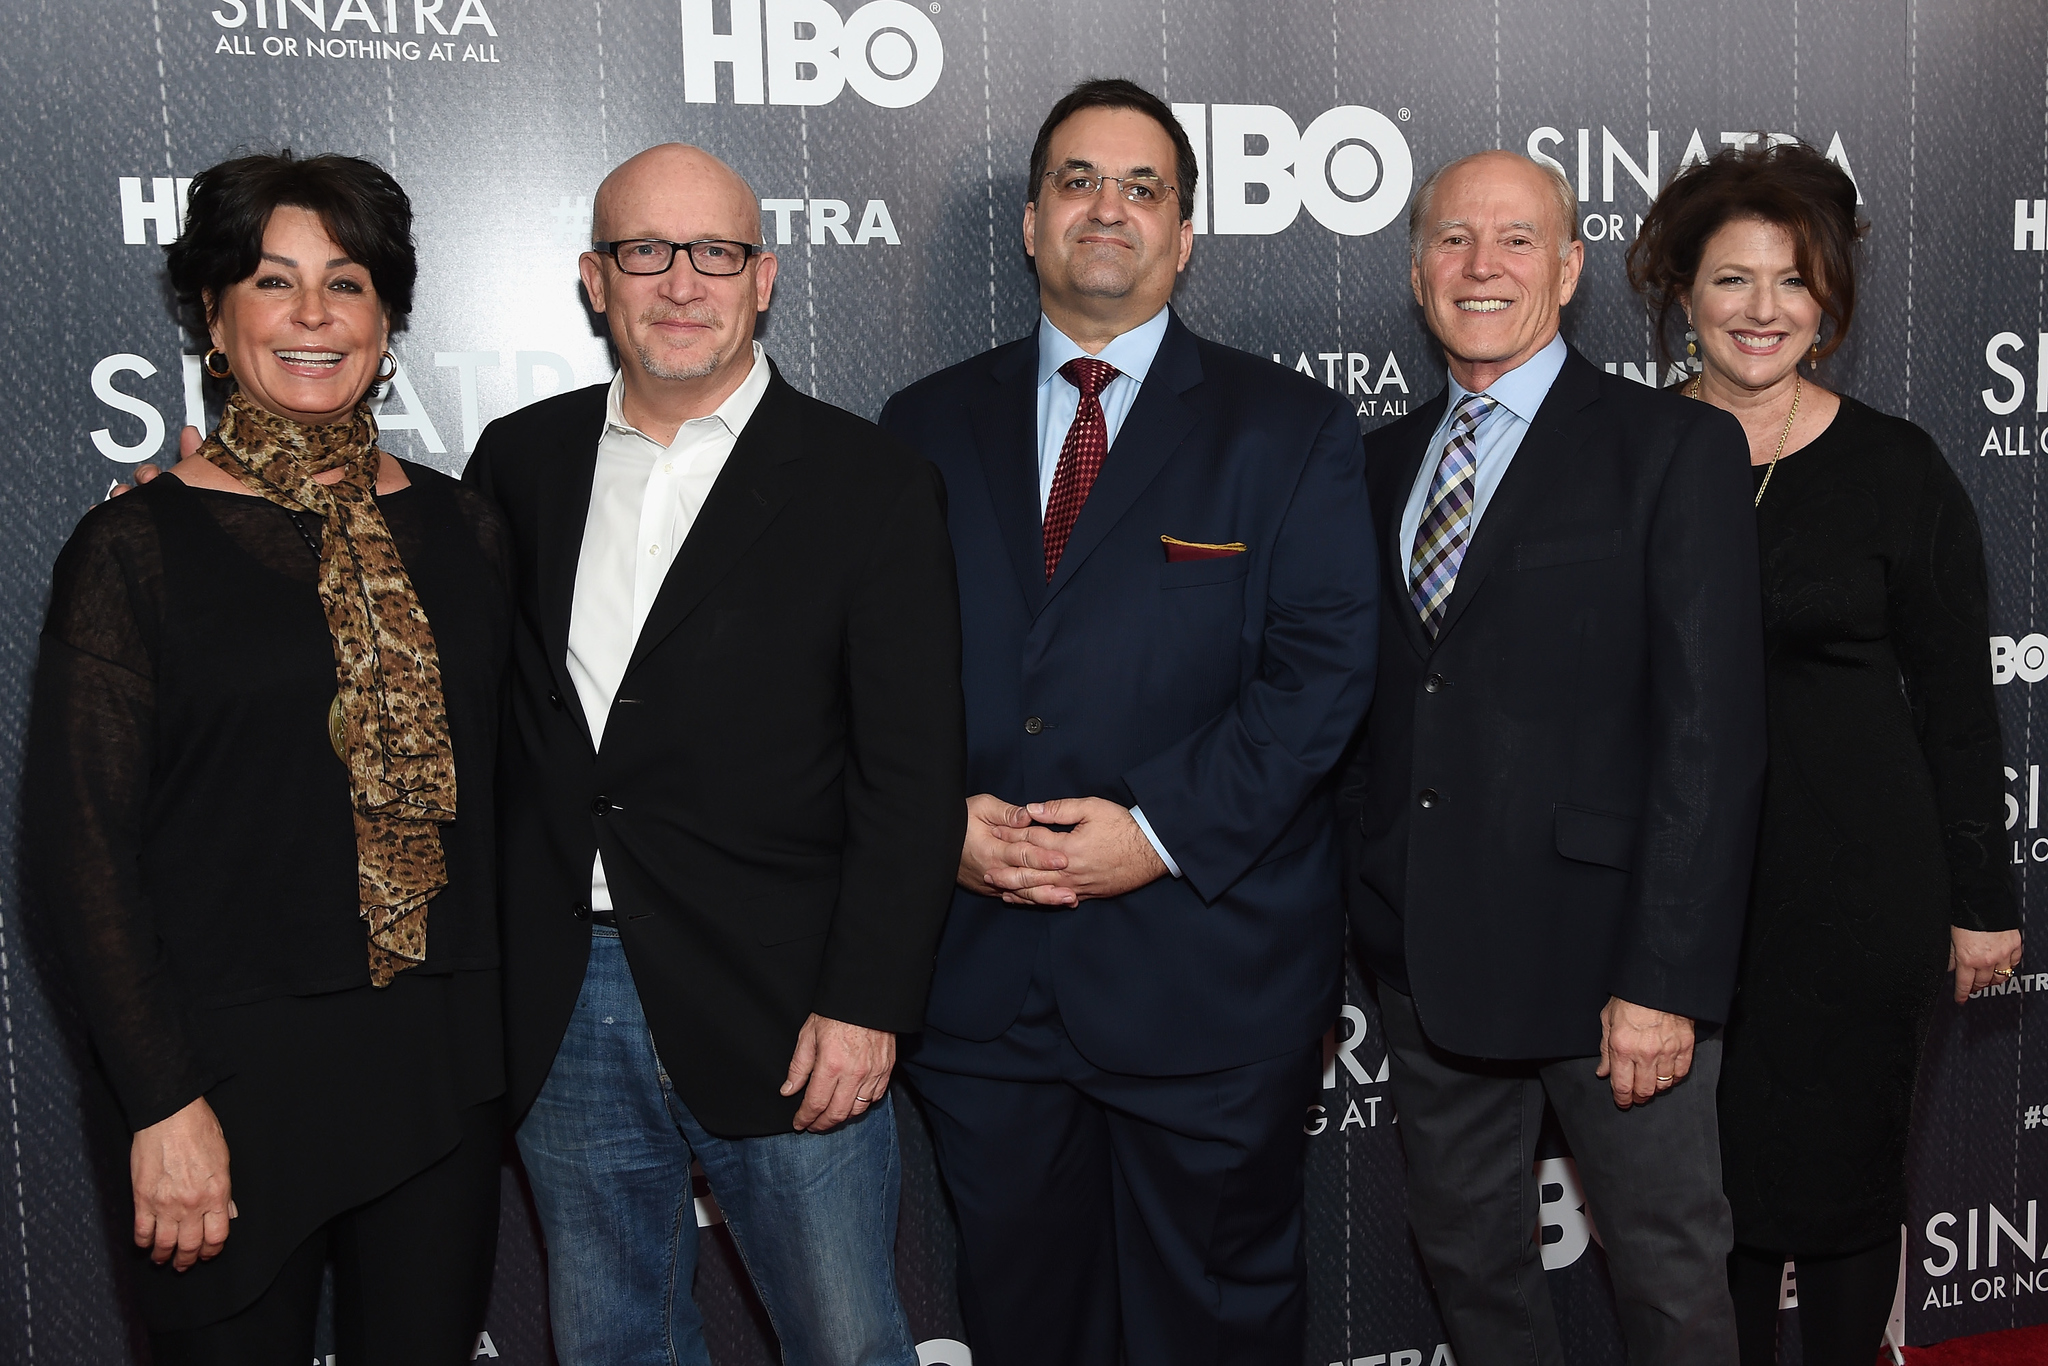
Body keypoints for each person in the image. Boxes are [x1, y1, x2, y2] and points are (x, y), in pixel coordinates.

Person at [879, 78, 1379, 1365]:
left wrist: (1155, 832)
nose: (1108, 208)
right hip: (984, 988)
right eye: (1077, 182)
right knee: (1022, 1318)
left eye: (1142, 187)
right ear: (1033, 225)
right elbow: (872, 676)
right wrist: (935, 827)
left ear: (1185, 234)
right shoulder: (919, 427)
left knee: (1211, 1323)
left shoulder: (1291, 429)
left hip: (1204, 980)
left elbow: (1320, 674)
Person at [461, 143, 964, 1366]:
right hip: (563, 1001)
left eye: (714, 252)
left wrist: (864, 1004)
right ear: (595, 278)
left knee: (847, 1342)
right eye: (644, 251)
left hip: (791, 1004)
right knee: (613, 1342)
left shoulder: (870, 482)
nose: (679, 281)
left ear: (763, 277)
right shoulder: (516, 464)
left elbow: (911, 772)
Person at [25, 151, 510, 1363]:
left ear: (385, 314)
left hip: (432, 1071)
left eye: (344, 282)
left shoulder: (464, 528)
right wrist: (161, 1102)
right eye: (271, 279)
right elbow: (80, 855)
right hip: (222, 1090)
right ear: (210, 309)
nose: (311, 315)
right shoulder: (131, 548)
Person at [1338, 149, 1767, 1366]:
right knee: (1471, 1267)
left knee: (1669, 1272)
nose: (1482, 266)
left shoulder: (1670, 449)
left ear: (1569, 267)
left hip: (1610, 974)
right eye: (1454, 240)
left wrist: (1667, 981)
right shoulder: (1373, 466)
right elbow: (1365, 715)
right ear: (1418, 269)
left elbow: (1711, 734)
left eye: (1517, 240)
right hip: (1424, 967)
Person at [1626, 139, 2023, 1366]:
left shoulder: (1895, 468)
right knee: (1709, 1198)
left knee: (1849, 1190)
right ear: (1680, 295)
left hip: (1857, 888)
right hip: (1677, 895)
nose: (1762, 310)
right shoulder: (1618, 453)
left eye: (1791, 281)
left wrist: (1980, 903)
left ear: (1829, 303)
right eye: (1731, 280)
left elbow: (1958, 706)